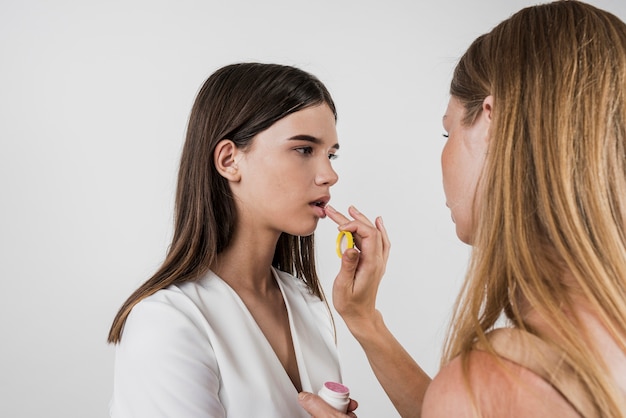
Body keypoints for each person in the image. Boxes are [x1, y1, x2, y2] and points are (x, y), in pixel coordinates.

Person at [298, 1, 626, 417]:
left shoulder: (491, 385)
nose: (328, 175)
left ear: (493, 123)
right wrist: (365, 319)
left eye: (447, 130)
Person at [107, 62, 352, 417]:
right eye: (304, 149)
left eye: (331, 154)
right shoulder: (168, 323)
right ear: (229, 160)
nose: (330, 174)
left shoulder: (308, 304)